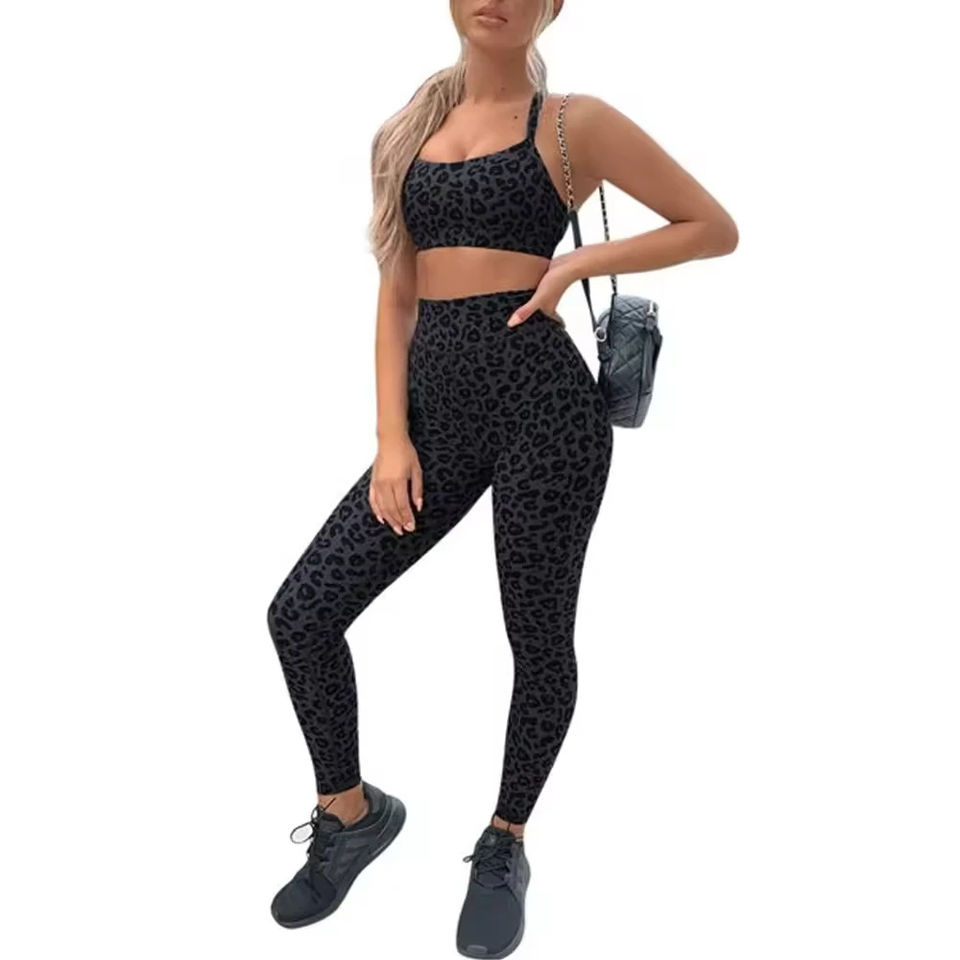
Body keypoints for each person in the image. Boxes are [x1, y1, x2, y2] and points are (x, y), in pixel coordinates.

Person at [265, 1, 738, 955]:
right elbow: (396, 298)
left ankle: (504, 839)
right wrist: (392, 439)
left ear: (552, 6)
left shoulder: (573, 124)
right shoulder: (404, 133)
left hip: (544, 414)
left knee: (536, 636)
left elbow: (712, 227)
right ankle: (351, 814)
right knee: (301, 614)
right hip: (433, 423)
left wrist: (577, 265)